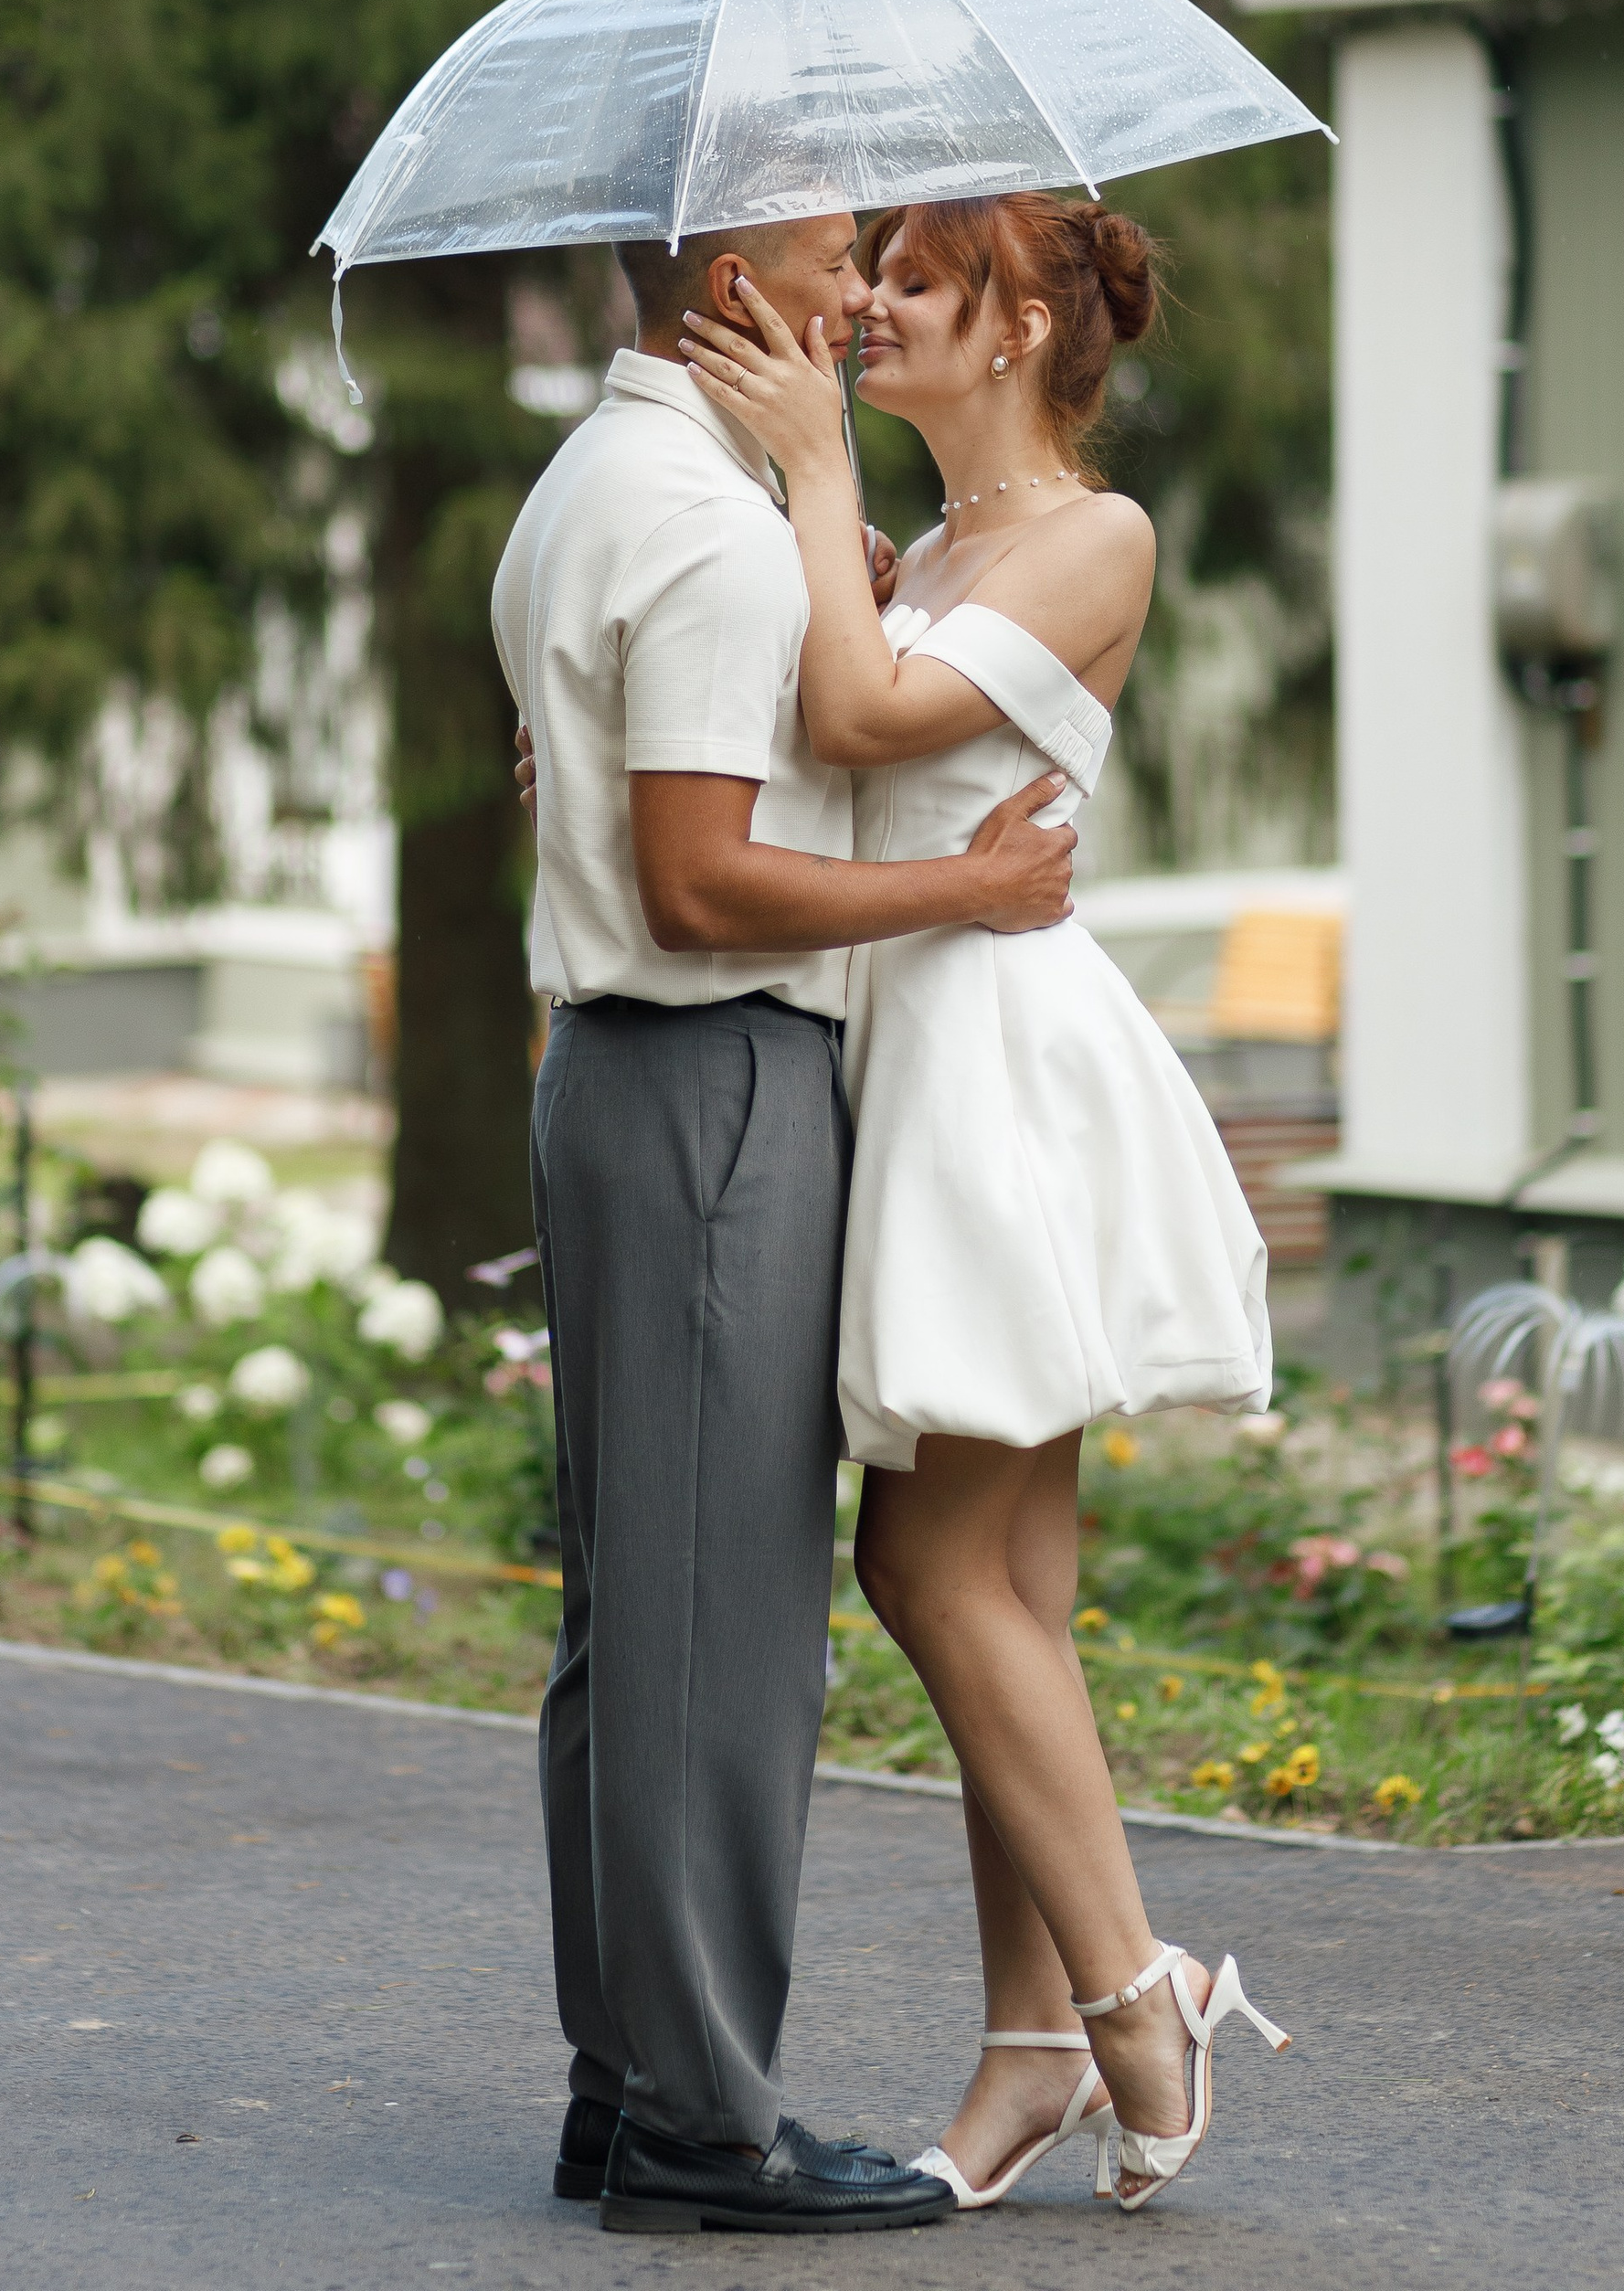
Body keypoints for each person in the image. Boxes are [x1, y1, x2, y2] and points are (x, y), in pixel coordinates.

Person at [679, 191, 1287, 2216]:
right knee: (1000, 1588)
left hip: (1000, 1074)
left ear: (1018, 323)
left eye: (916, 287)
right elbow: (803, 743)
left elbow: (865, 724)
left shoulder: (1085, 538)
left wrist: (806, 476)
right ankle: (1029, 2048)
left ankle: (1129, 1996)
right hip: (912, 1046)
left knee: (923, 1574)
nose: (865, 314)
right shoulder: (915, 551)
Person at [490, 206, 1080, 2237]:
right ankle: (702, 2126)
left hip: (614, 1078)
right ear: (731, 284)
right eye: (836, 257)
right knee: (715, 1628)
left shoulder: (599, 476)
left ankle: (626, 2085)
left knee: (627, 1620)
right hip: (715, 1074)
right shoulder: (723, 534)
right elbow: (700, 885)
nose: (855, 295)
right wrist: (962, 895)